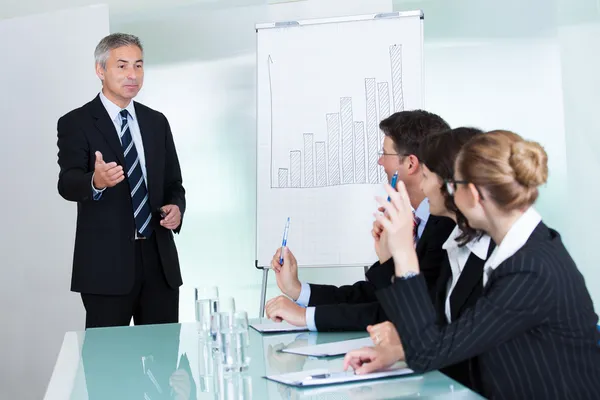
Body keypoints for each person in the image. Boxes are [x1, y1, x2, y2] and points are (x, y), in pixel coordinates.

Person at [344, 130, 600, 399]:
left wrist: (405, 254)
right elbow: (469, 343)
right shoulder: (526, 250)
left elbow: (429, 353)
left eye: (454, 186)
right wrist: (398, 351)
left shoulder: (529, 270)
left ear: (475, 194)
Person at [265, 110, 455, 331]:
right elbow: (372, 293)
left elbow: (405, 310)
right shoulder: (416, 222)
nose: (380, 161)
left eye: (385, 154)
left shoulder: (445, 226)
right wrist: (298, 290)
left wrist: (306, 316)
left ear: (410, 164)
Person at [57, 33, 186, 328]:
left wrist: (176, 208)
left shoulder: (156, 122)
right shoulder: (76, 122)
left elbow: (173, 184)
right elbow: (67, 182)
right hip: (106, 268)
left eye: (139, 66)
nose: (133, 75)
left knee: (162, 363)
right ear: (100, 70)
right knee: (106, 366)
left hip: (159, 263)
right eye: (122, 66)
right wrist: (96, 181)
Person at [365, 127, 494, 394]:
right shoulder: (457, 244)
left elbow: (472, 352)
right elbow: (437, 332)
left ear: (451, 184)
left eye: (426, 177)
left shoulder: (503, 259)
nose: (422, 187)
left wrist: (404, 254)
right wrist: (401, 349)